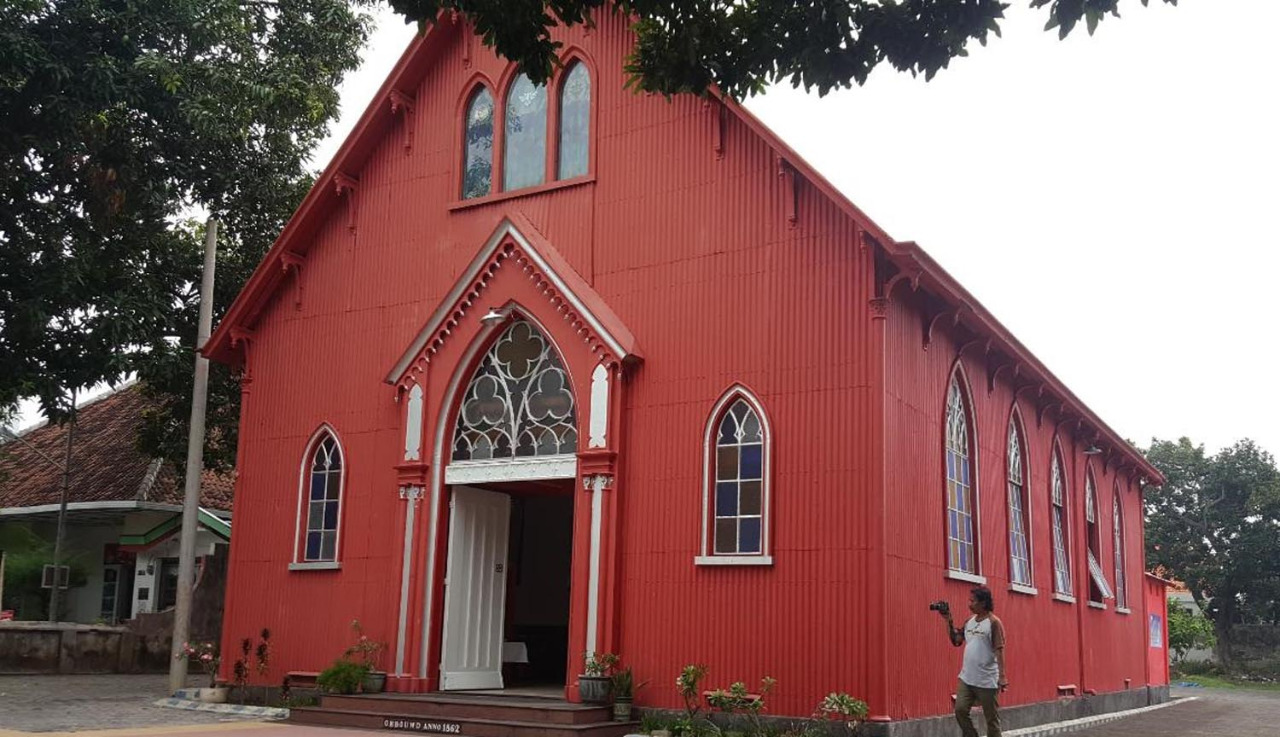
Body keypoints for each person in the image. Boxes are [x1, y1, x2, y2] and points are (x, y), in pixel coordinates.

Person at [938, 586, 1007, 737]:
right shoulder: (969, 621)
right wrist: (948, 620)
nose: (969, 604)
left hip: (987, 680)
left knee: (991, 720)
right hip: (967, 678)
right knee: (960, 711)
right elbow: (956, 640)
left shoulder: (994, 623)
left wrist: (1002, 676)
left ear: (983, 603)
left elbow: (999, 650)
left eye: (972, 601)